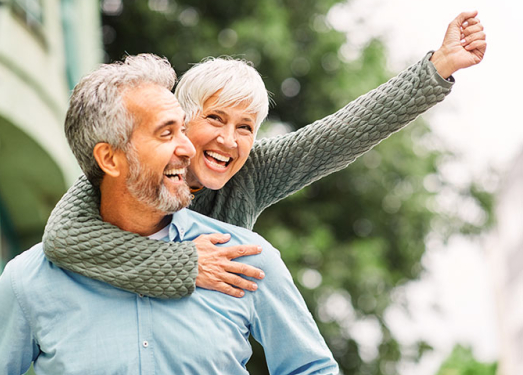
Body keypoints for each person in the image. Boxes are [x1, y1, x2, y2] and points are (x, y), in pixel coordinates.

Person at [43, 11, 487, 298]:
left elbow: (342, 133)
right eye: (215, 119)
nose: (229, 141)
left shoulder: (252, 173)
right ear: (180, 117)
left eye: (245, 128)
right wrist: (188, 262)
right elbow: (63, 238)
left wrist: (438, 68)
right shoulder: (132, 167)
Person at [0, 54, 339, 374]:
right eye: (166, 134)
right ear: (109, 159)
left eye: (184, 130)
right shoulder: (27, 283)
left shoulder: (244, 260)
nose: (189, 148)